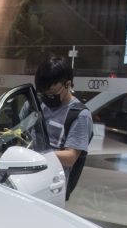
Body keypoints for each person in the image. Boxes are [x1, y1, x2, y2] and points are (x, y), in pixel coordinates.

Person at [34, 56, 92, 200]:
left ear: (68, 84)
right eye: (44, 93)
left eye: (52, 93)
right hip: (30, 177)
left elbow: (70, 157)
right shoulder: (38, 104)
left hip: (54, 186)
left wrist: (35, 155)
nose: (48, 97)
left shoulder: (79, 115)